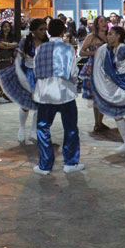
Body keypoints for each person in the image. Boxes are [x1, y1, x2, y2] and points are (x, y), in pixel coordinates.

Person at [32, 19, 83, 175]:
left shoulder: (40, 49)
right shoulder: (68, 48)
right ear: (63, 32)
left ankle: (45, 165)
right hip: (64, 93)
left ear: (48, 31)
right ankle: (70, 162)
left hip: (45, 94)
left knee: (42, 127)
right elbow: (74, 73)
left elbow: (35, 71)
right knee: (71, 128)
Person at [91, 26, 125, 153]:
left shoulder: (122, 49)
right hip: (121, 81)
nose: (108, 36)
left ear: (118, 36)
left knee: (116, 111)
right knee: (116, 111)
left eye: (110, 34)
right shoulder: (112, 50)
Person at [79, 15, 109, 133]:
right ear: (97, 24)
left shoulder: (109, 36)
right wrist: (94, 52)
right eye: (101, 21)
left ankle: (99, 122)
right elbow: (81, 52)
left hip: (107, 69)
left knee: (105, 97)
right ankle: (97, 123)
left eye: (105, 21)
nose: (104, 23)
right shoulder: (91, 36)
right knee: (97, 97)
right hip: (94, 69)